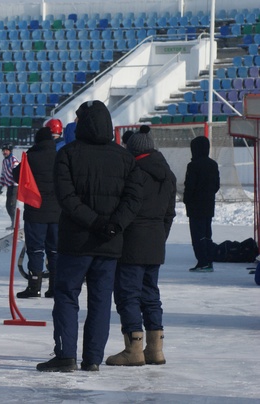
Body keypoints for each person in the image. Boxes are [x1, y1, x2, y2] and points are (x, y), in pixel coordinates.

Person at [37, 100, 143, 373]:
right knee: (100, 299)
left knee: (66, 296)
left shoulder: (68, 154)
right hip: (109, 242)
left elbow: (67, 198)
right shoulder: (125, 158)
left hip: (75, 241)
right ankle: (93, 358)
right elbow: (133, 199)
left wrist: (94, 222)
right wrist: (113, 225)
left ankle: (66, 355)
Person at [106, 129, 176, 367]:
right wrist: (159, 237)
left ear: (134, 150)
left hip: (133, 241)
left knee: (128, 294)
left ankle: (133, 349)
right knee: (151, 295)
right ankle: (155, 349)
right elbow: (169, 213)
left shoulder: (133, 172)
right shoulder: (168, 174)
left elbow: (126, 207)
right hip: (156, 241)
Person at [12, 127, 60, 299]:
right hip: (57, 213)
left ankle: (34, 286)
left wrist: (31, 153)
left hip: (35, 212)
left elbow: (16, 175)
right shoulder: (60, 157)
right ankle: (54, 287)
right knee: (55, 251)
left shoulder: (31, 158)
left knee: (36, 250)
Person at [184, 135, 220, 272]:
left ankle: (202, 261)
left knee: (197, 235)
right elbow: (216, 185)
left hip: (195, 206)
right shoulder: (213, 164)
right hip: (209, 204)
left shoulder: (193, 166)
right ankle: (208, 260)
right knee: (207, 234)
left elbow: (190, 186)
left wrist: (187, 200)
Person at [0, 142, 19, 231]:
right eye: (3, 151)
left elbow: (17, 173)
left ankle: (15, 225)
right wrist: (0, 186)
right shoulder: (4, 161)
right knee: (8, 206)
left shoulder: (14, 160)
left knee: (12, 205)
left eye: (6, 150)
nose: (4, 152)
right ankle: (13, 222)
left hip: (15, 186)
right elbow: (3, 174)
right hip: (9, 186)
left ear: (10, 151)